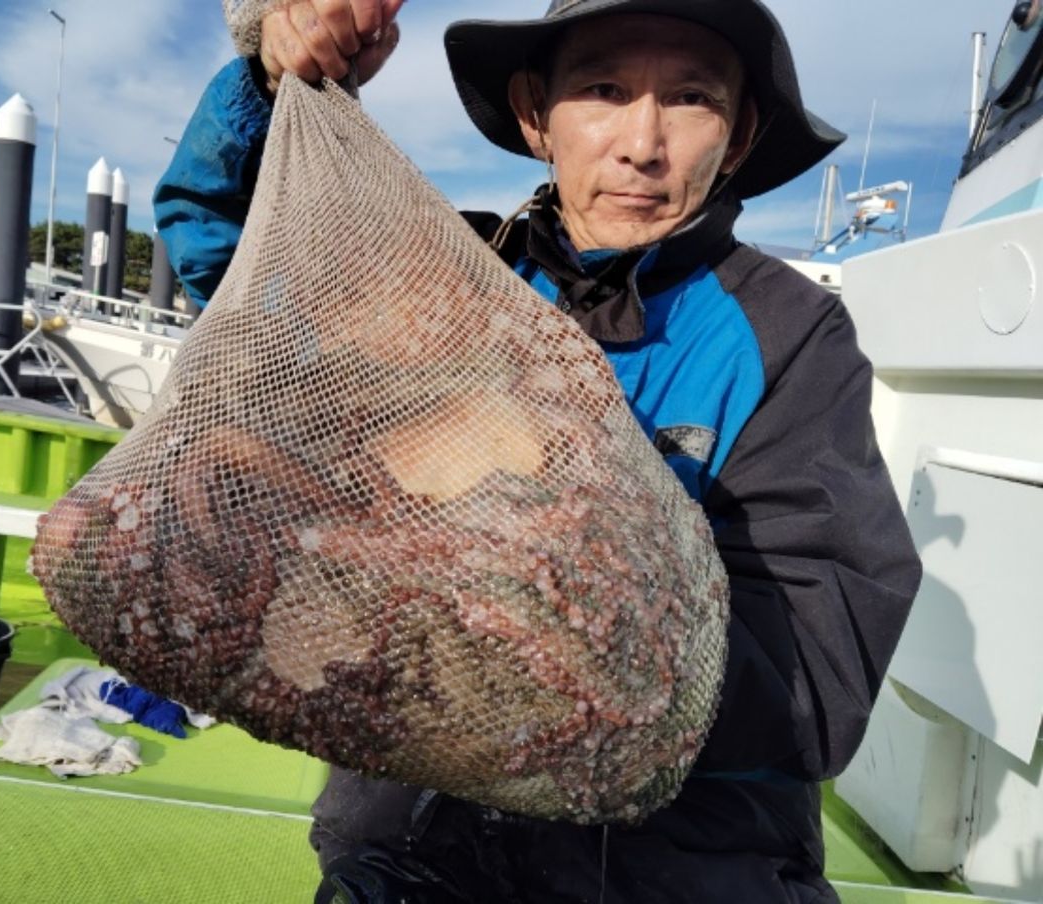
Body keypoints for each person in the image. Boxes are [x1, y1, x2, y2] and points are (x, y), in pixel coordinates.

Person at [153, 1, 923, 901]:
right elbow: (229, 252)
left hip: (676, 867)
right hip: (411, 845)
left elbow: (818, 686)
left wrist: (560, 552)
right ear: (534, 112)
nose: (643, 142)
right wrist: (275, 81)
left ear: (740, 132)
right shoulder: (441, 271)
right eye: (602, 89)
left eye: (689, 98)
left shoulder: (792, 335)